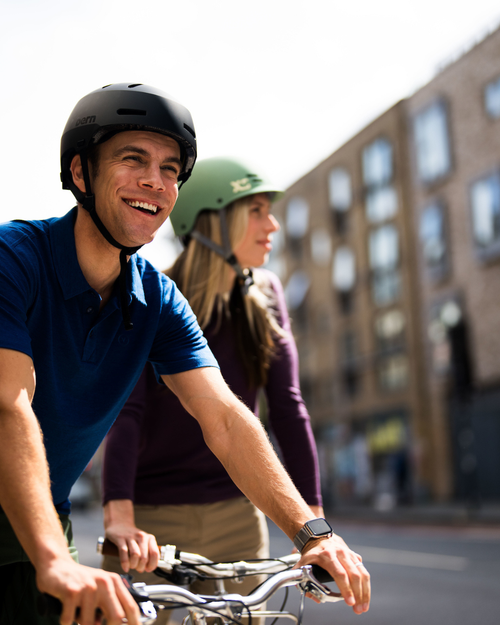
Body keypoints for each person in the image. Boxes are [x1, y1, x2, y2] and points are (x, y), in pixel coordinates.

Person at [0, 83, 370, 625]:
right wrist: (59, 558)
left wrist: (313, 532)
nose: (156, 180)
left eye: (171, 169)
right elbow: (9, 405)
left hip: (39, 523)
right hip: (39, 529)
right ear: (80, 174)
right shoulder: (15, 259)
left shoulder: (158, 300)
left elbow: (223, 416)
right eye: (134, 159)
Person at [101, 157, 325, 611]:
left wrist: (315, 526)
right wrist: (119, 515)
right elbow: (129, 410)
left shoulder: (266, 294)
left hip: (238, 514)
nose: (273, 225)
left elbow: (287, 407)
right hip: (151, 517)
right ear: (215, 221)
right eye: (257, 210)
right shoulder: (153, 294)